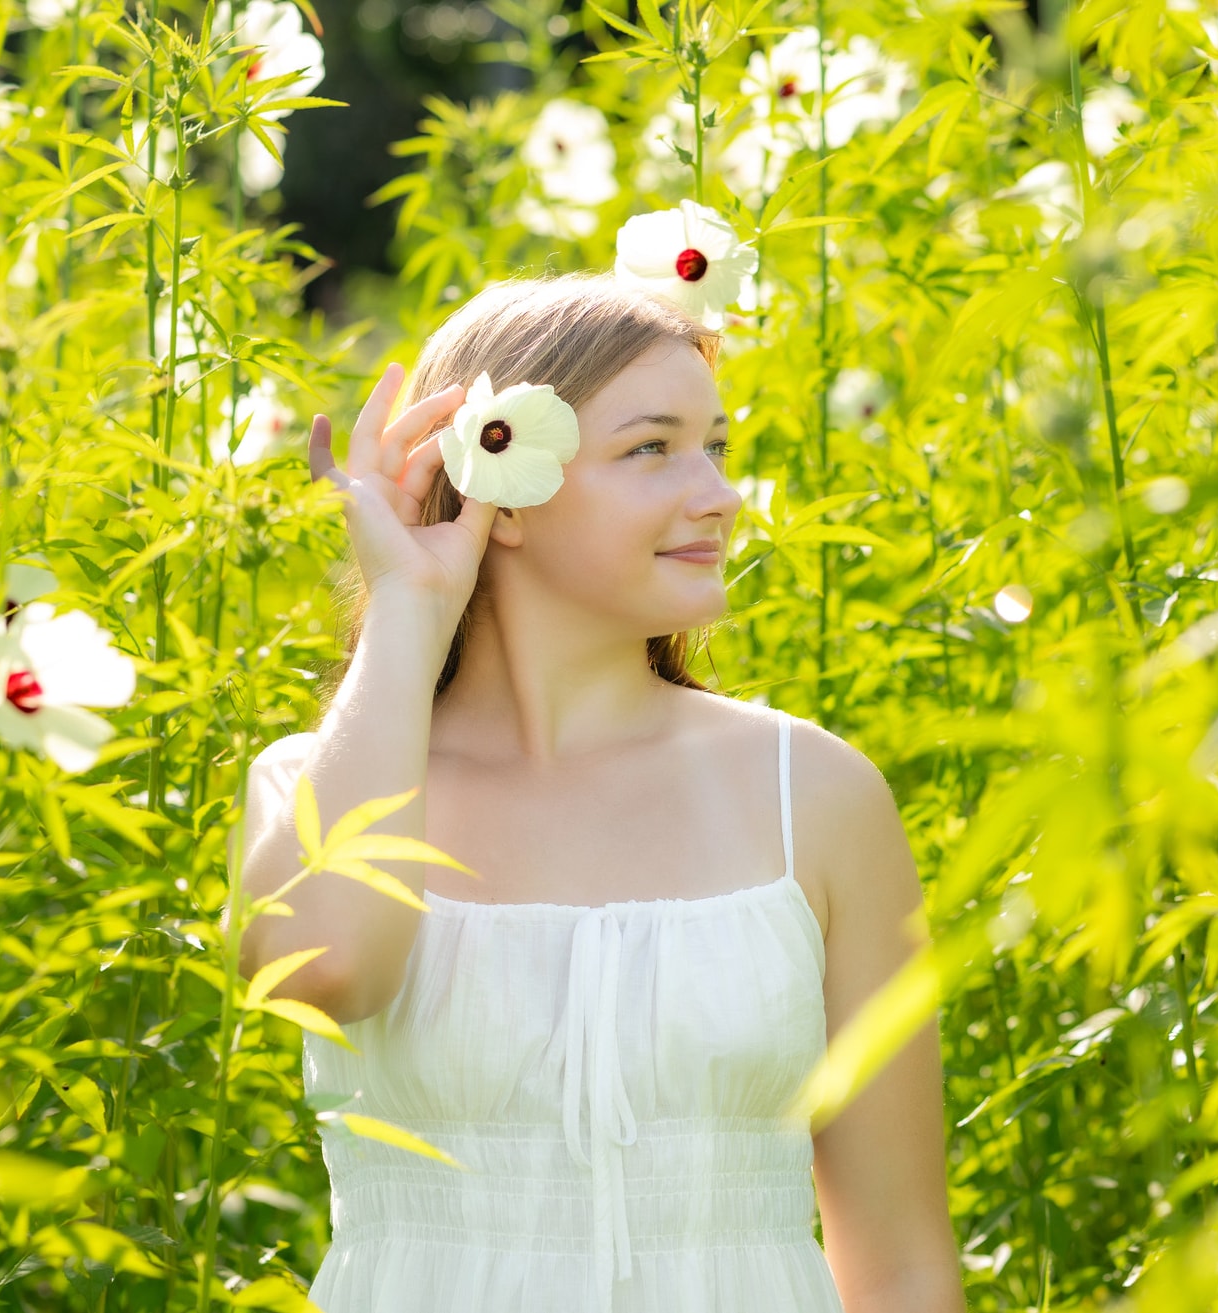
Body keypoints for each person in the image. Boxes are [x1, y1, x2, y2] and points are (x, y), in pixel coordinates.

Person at [237, 272, 965, 1313]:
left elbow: (898, 1265)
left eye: (714, 445)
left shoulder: (814, 793)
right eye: (651, 448)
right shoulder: (307, 785)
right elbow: (331, 966)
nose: (717, 493)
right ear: (503, 487)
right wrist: (409, 603)